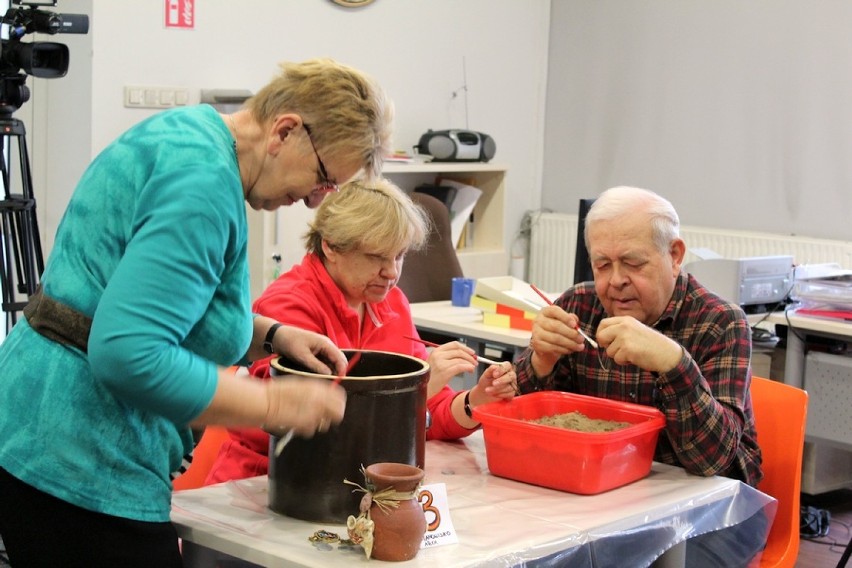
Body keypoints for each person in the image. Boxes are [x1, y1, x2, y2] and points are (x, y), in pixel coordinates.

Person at [0, 58, 393, 567]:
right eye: (322, 178)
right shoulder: (204, 187)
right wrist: (274, 406)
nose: (315, 202)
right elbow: (128, 353)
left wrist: (270, 336)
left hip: (37, 431)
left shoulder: (190, 134)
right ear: (285, 130)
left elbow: (145, 297)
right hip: (80, 458)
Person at [515, 186, 767, 567]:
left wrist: (675, 365)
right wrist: (540, 364)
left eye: (633, 263)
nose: (615, 280)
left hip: (710, 513)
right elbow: (523, 426)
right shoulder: (578, 307)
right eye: (602, 265)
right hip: (603, 500)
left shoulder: (720, 322)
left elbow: (713, 465)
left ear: (675, 255)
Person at [205, 178, 518, 484]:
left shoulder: (392, 303)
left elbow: (429, 414)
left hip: (358, 478)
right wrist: (417, 390)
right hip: (273, 481)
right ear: (330, 247)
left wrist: (475, 400)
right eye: (376, 257)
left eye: (400, 255)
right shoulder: (288, 306)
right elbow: (319, 426)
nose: (392, 272)